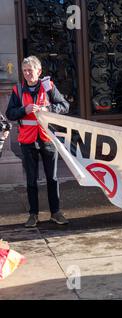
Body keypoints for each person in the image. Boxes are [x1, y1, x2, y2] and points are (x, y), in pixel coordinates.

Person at [6, 56, 70, 228]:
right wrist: (23, 110)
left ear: (39, 71)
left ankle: (55, 213)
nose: (27, 74)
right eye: (24, 70)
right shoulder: (18, 90)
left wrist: (47, 109)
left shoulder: (48, 87)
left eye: (30, 70)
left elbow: (64, 106)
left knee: (52, 178)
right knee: (31, 180)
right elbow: (10, 114)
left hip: (47, 138)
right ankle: (33, 215)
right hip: (27, 141)